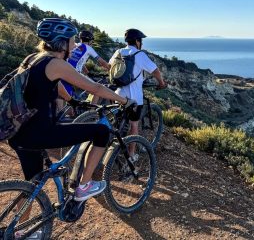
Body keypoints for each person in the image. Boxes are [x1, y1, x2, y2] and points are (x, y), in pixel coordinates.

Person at [9, 18, 129, 203]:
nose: (74, 46)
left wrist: (72, 100)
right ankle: (84, 187)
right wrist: (124, 100)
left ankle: (17, 232)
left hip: (18, 132)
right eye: (72, 40)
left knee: (31, 186)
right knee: (102, 132)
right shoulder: (57, 64)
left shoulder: (33, 58)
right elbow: (96, 88)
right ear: (61, 42)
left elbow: (54, 85)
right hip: (40, 133)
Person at [109, 28, 166, 158]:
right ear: (137, 41)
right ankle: (131, 155)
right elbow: (155, 71)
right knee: (134, 124)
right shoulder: (139, 55)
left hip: (117, 93)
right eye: (141, 41)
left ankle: (113, 143)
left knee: (118, 119)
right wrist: (161, 83)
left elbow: (109, 66)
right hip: (134, 97)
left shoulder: (118, 51)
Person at [61, 30, 110, 102]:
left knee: (66, 100)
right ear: (90, 40)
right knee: (98, 91)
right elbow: (102, 62)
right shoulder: (88, 48)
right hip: (75, 74)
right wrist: (111, 69)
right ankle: (92, 112)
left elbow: (79, 61)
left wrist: (88, 73)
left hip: (64, 72)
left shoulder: (76, 45)